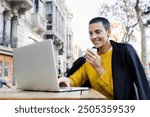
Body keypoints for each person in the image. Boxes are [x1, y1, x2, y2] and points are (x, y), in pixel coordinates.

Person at [58, 17, 150, 100]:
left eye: (98, 32)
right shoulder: (89, 58)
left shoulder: (123, 52)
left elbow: (121, 94)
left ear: (108, 32)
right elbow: (75, 80)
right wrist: (66, 81)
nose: (93, 37)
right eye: (90, 33)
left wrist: (99, 68)